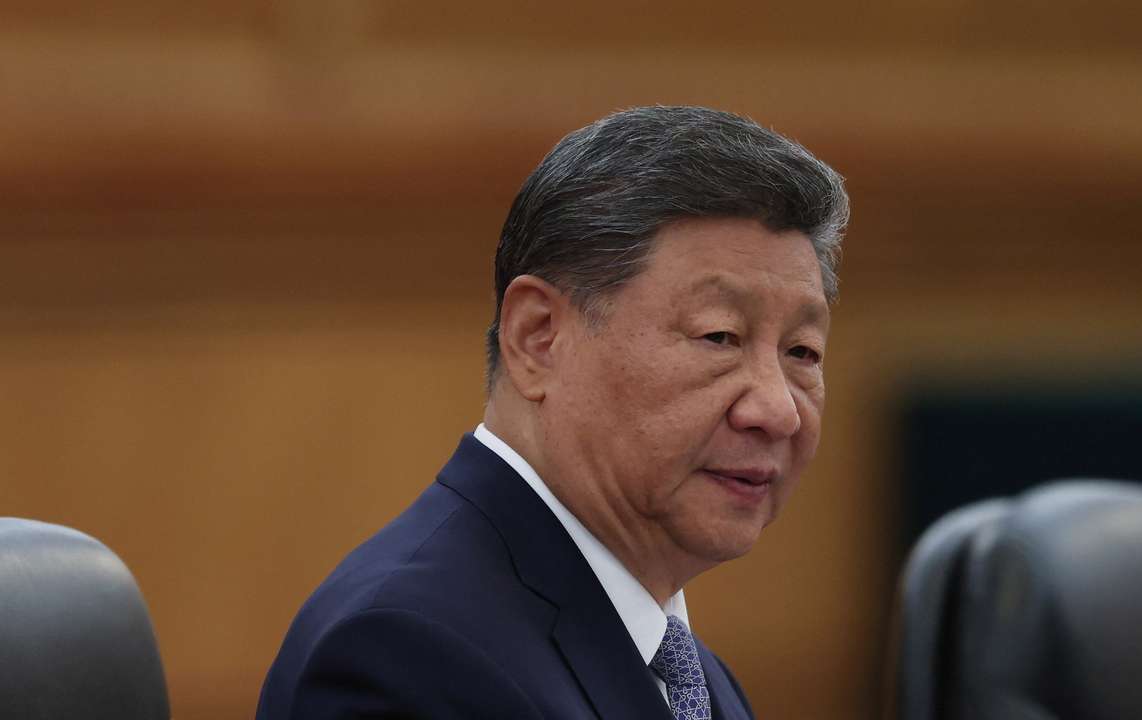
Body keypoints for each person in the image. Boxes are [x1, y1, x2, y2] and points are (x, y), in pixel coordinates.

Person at [256, 105, 849, 720]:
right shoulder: (406, 656)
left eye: (802, 351)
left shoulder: (690, 673)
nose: (778, 410)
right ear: (538, 337)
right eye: (719, 336)